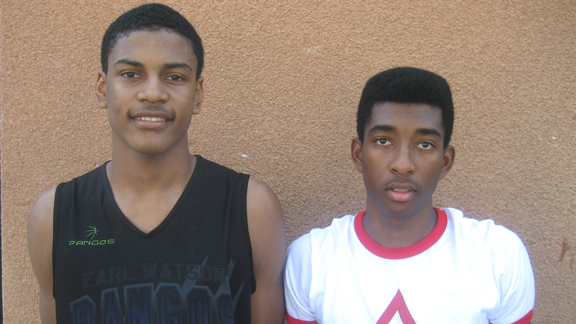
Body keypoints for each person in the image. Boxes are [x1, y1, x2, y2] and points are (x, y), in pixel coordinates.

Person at [27, 4, 285, 323]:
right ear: (102, 88)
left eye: (174, 76)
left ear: (198, 93)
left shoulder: (251, 209)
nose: (152, 93)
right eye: (131, 74)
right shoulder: (54, 217)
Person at [284, 67, 535, 324]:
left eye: (424, 144)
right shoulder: (311, 258)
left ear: (445, 162)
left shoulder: (497, 255)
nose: (403, 165)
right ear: (359, 154)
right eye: (383, 141)